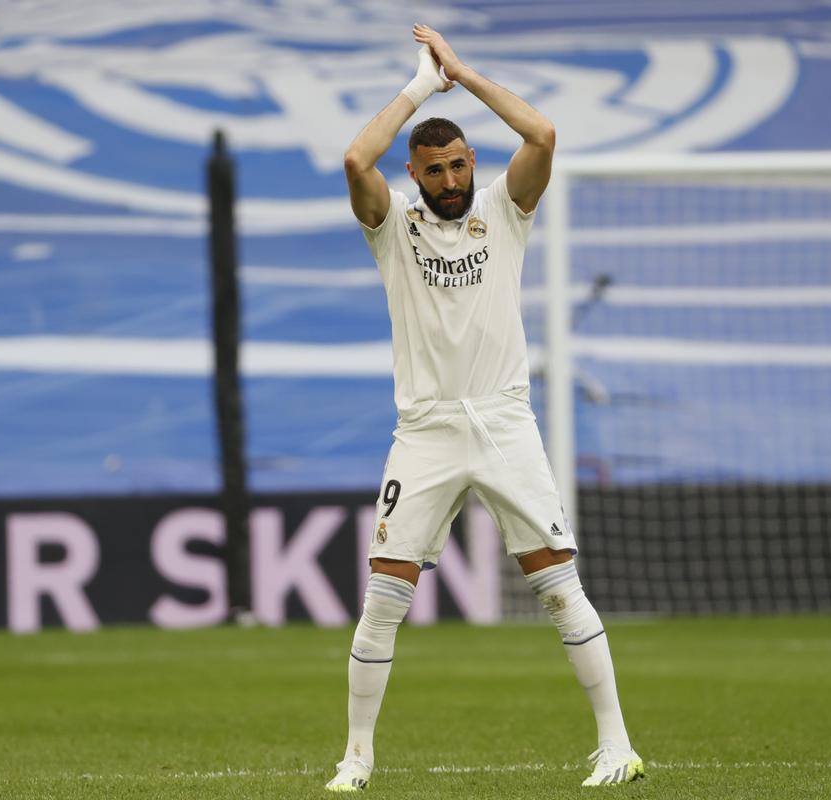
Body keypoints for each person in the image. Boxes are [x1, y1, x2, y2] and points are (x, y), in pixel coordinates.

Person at [325, 24, 642, 791]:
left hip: (503, 422)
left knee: (558, 584)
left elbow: (542, 132)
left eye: (460, 164)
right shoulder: (393, 227)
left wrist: (460, 74)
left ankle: (617, 745)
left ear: (473, 162)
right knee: (385, 597)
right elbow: (353, 160)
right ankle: (356, 758)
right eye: (435, 170)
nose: (450, 179)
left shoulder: (504, 209)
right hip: (426, 430)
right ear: (417, 174)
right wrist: (416, 88)